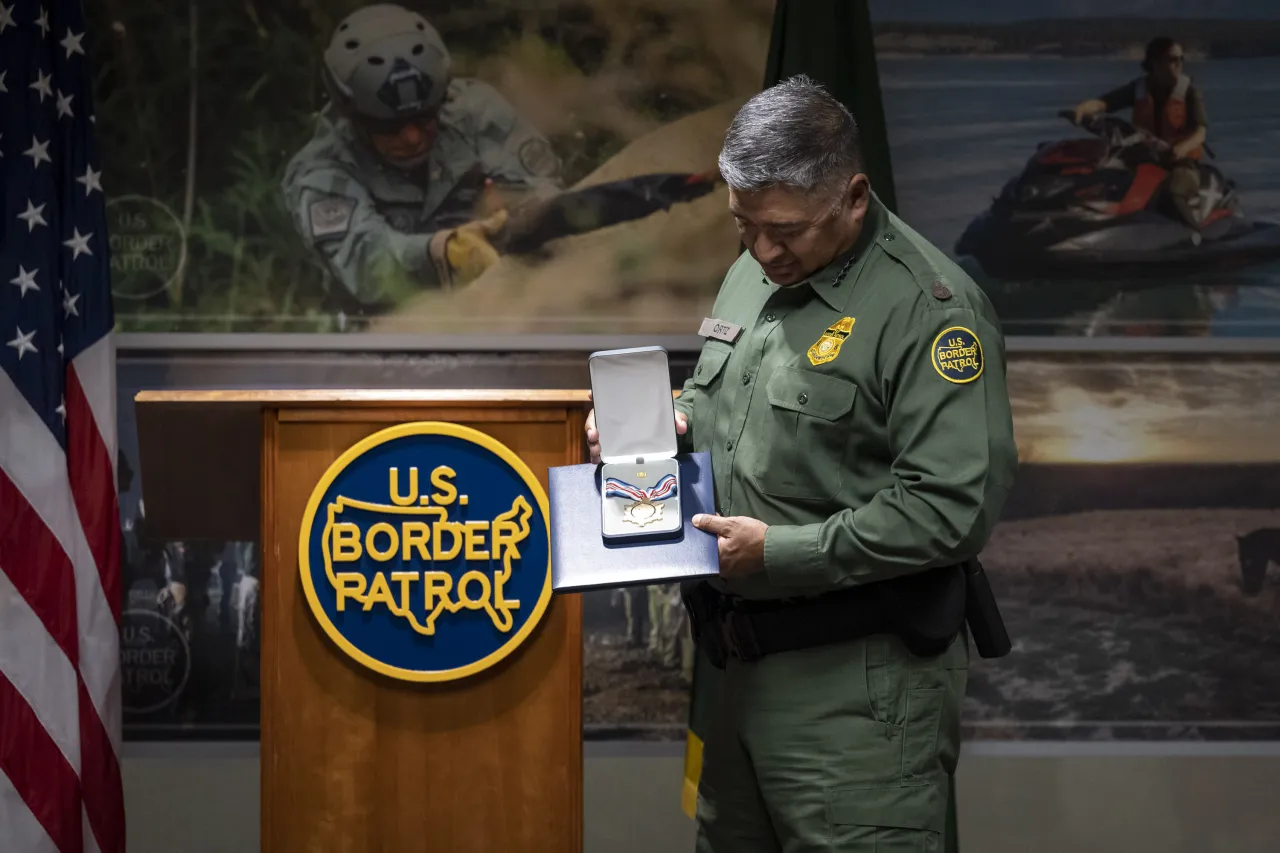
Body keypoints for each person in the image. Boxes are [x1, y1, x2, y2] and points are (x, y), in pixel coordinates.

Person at [586, 74, 1017, 852]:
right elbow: (732, 398)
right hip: (734, 671)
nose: (762, 249)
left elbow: (949, 509)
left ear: (853, 197)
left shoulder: (929, 311)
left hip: (853, 686)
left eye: (784, 229)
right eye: (743, 225)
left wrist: (777, 550)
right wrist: (666, 425)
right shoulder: (758, 266)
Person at [281, 3, 564, 314]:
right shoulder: (323, 169)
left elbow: (543, 191)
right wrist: (441, 251)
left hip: (511, 296)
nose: (413, 138)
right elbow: (365, 262)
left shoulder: (476, 113)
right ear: (353, 116)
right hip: (386, 328)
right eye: (389, 126)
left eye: (425, 117)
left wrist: (517, 213)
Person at [1071, 36, 1208, 228]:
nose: (1179, 64)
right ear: (1155, 62)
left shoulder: (1190, 92)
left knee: (1171, 193)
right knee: (1103, 179)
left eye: (1181, 59)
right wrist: (1082, 109)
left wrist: (1182, 149)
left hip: (1180, 163)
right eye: (1172, 59)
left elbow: (1201, 132)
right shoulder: (1138, 88)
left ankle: (1196, 236)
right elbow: (1104, 103)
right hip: (1145, 158)